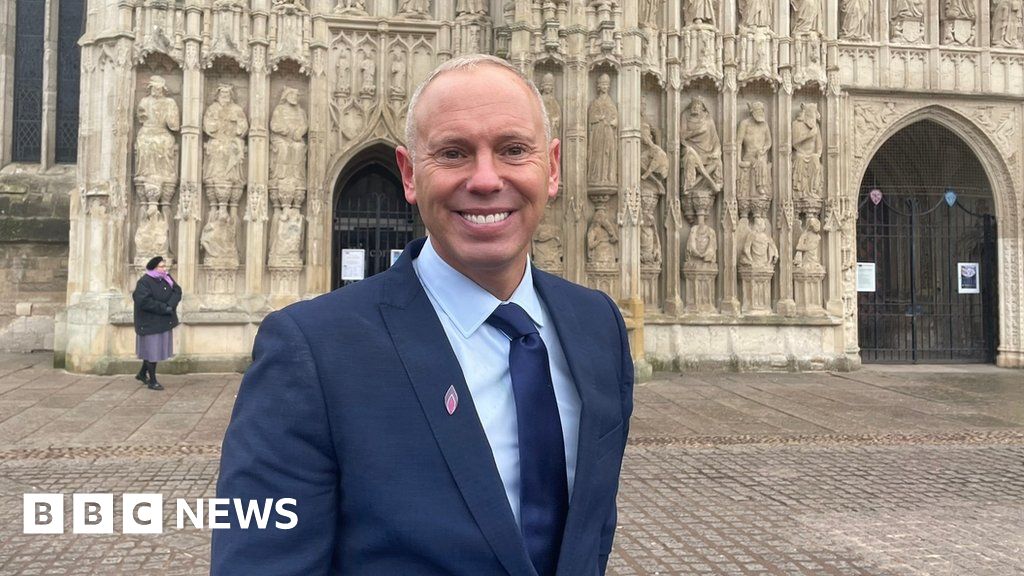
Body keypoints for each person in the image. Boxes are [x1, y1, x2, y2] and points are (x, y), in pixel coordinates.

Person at [213, 54, 634, 576]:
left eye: (513, 150)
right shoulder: (309, 352)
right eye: (453, 153)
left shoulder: (599, 327)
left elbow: (590, 531)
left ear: (552, 168)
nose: (485, 179)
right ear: (409, 175)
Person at [132, 256, 181, 391]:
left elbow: (177, 291)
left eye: (164, 266)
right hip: (149, 323)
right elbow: (144, 302)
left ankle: (142, 373)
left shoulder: (167, 278)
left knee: (154, 350)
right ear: (153, 267)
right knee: (152, 352)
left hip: (163, 320)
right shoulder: (144, 282)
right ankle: (152, 381)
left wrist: (170, 305)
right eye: (161, 267)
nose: (164, 269)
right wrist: (163, 308)